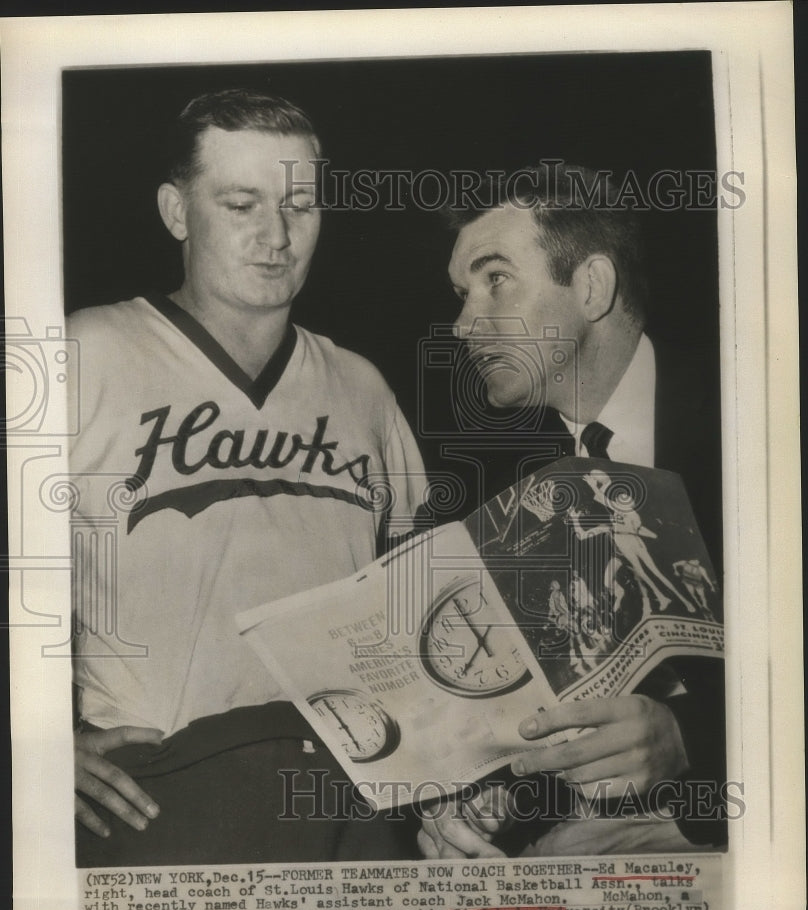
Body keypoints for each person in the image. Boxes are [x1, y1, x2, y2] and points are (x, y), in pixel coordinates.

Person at [69, 89, 427, 865]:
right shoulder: (83, 354)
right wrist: (28, 744)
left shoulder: (363, 388)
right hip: (161, 790)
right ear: (176, 210)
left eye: (300, 205)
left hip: (355, 793)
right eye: (241, 204)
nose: (276, 237)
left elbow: (419, 608)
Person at [419, 162, 725, 858]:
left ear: (590, 286)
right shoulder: (498, 499)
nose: (464, 324)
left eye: (495, 280)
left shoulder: (761, 423)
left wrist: (689, 742)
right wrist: (473, 796)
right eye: (462, 294)